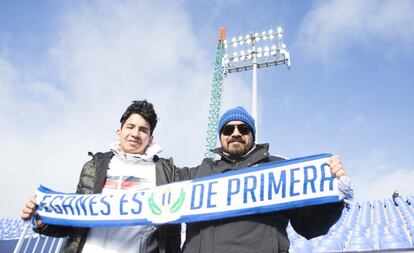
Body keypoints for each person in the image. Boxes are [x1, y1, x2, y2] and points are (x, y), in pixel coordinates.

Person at [178, 106, 353, 253]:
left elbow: (309, 226)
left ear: (252, 135)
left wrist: (332, 197)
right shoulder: (199, 174)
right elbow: (160, 181)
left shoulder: (279, 169)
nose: (236, 133)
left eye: (243, 128)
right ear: (221, 136)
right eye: (228, 129)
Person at [21, 100, 181, 253]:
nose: (135, 134)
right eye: (130, 127)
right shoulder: (94, 166)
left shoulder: (166, 174)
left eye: (143, 130)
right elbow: (75, 223)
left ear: (151, 139)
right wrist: (44, 221)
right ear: (119, 132)